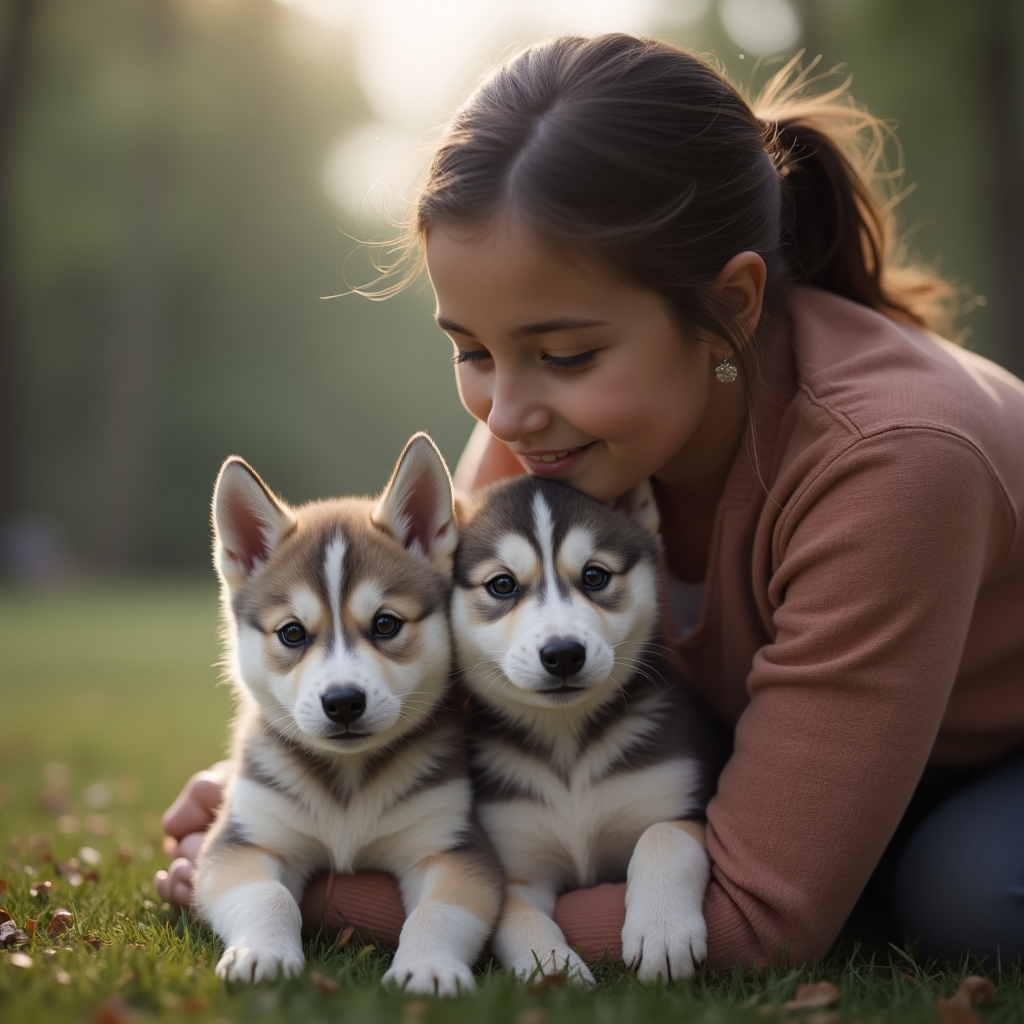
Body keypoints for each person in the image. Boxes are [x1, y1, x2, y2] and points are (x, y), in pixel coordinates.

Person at [157, 34, 1024, 969]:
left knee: (962, 894)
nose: (509, 415)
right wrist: (283, 801)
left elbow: (749, 921)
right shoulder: (557, 430)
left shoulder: (893, 464)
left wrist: (334, 896)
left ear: (733, 305)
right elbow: (452, 666)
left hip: (988, 759)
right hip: (809, 746)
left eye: (565, 354)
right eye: (472, 351)